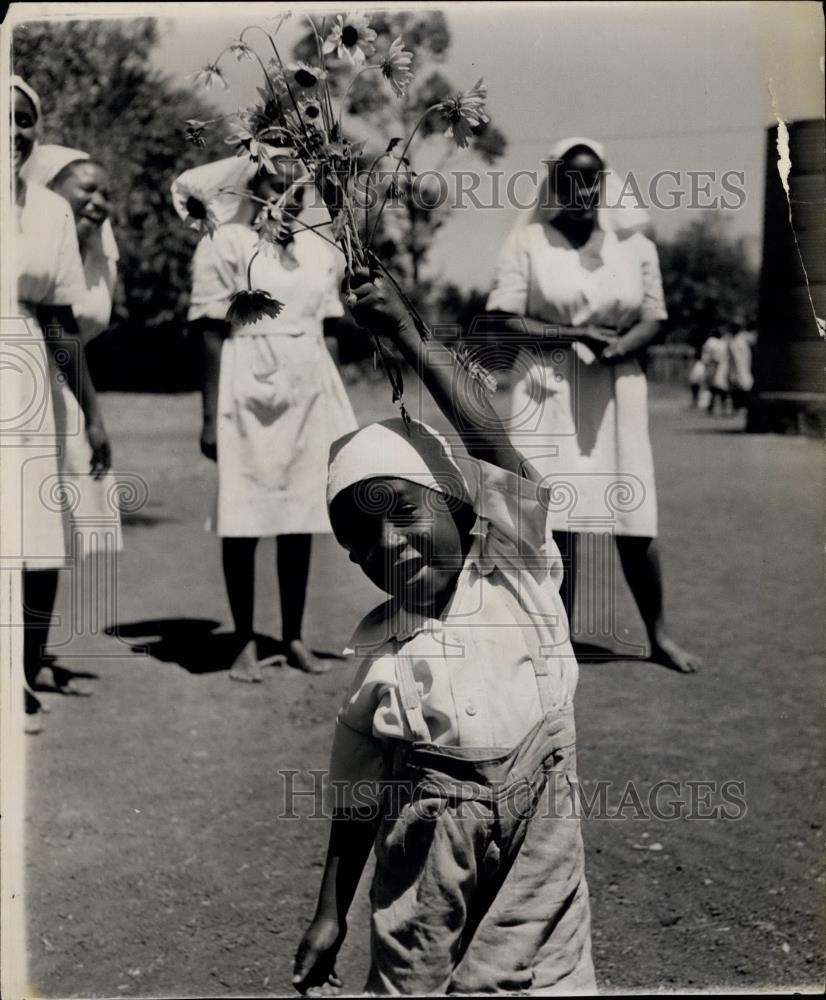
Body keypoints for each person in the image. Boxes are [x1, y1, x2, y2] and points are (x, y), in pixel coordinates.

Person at [293, 273, 595, 996]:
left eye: (403, 513)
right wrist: (329, 911)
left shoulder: (515, 575)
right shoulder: (380, 660)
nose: (389, 547)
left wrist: (412, 338)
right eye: (362, 542)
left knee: (544, 980)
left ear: (462, 507)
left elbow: (492, 441)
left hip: (540, 841)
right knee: (413, 982)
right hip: (426, 861)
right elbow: (358, 796)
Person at [484, 137, 699, 674]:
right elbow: (504, 317)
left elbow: (655, 315)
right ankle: (557, 638)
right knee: (557, 512)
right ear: (555, 183)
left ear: (603, 182)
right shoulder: (528, 242)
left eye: (591, 178)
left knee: (633, 508)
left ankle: (659, 633)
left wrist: (623, 344)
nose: (581, 189)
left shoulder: (635, 246)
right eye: (569, 178)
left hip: (615, 385)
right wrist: (570, 333)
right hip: (548, 387)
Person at [173, 153, 357, 679]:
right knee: (244, 511)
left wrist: (333, 399)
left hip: (307, 383)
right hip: (245, 377)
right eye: (275, 175)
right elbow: (209, 328)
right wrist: (209, 414)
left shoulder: (319, 245)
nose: (287, 187)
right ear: (252, 180)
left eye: (299, 179)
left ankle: (294, 636)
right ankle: (244, 639)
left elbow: (328, 325)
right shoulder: (224, 241)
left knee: (300, 514)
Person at [8, 78, 112, 732]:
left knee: (25, 527)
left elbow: (60, 323)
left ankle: (16, 674)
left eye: (24, 122)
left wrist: (95, 415)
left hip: (23, 379)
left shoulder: (51, 213)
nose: (13, 132)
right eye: (3, 119)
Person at [21, 145, 123, 696]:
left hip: (67, 390)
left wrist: (90, 411)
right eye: (85, 188)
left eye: (106, 192)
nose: (98, 201)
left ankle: (32, 660)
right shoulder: (28, 243)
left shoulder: (99, 258)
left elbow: (82, 334)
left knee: (53, 535)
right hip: (26, 385)